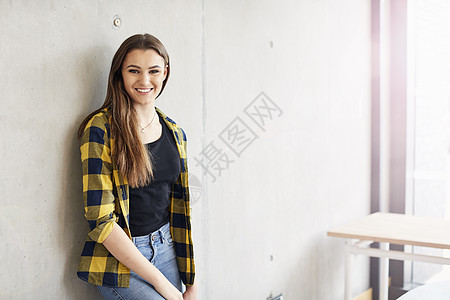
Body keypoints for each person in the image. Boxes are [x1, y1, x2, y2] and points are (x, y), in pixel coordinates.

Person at [76, 33, 197, 300]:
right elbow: (102, 222)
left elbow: (179, 210)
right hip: (120, 258)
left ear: (165, 73)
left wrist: (191, 281)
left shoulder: (175, 132)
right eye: (134, 71)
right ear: (120, 73)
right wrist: (162, 284)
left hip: (167, 248)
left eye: (154, 71)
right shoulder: (101, 129)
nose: (144, 81)